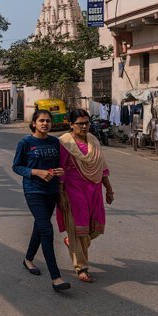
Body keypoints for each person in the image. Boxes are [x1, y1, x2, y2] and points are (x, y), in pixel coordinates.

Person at [12, 109, 70, 292]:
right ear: (34, 123)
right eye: (41, 121)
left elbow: (61, 165)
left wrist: (60, 171)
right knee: (46, 230)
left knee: (40, 226)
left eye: (48, 121)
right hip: (34, 191)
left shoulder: (55, 142)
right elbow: (16, 166)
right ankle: (56, 277)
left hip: (51, 191)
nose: (45, 124)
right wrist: (36, 172)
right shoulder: (26, 143)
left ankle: (28, 259)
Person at [57, 109, 114, 283]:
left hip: (94, 191)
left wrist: (109, 190)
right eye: (80, 123)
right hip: (74, 191)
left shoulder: (93, 140)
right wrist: (60, 194)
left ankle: (71, 241)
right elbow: (61, 169)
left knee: (95, 228)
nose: (84, 126)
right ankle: (81, 267)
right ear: (71, 125)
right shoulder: (65, 143)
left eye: (86, 123)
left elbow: (102, 168)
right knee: (79, 229)